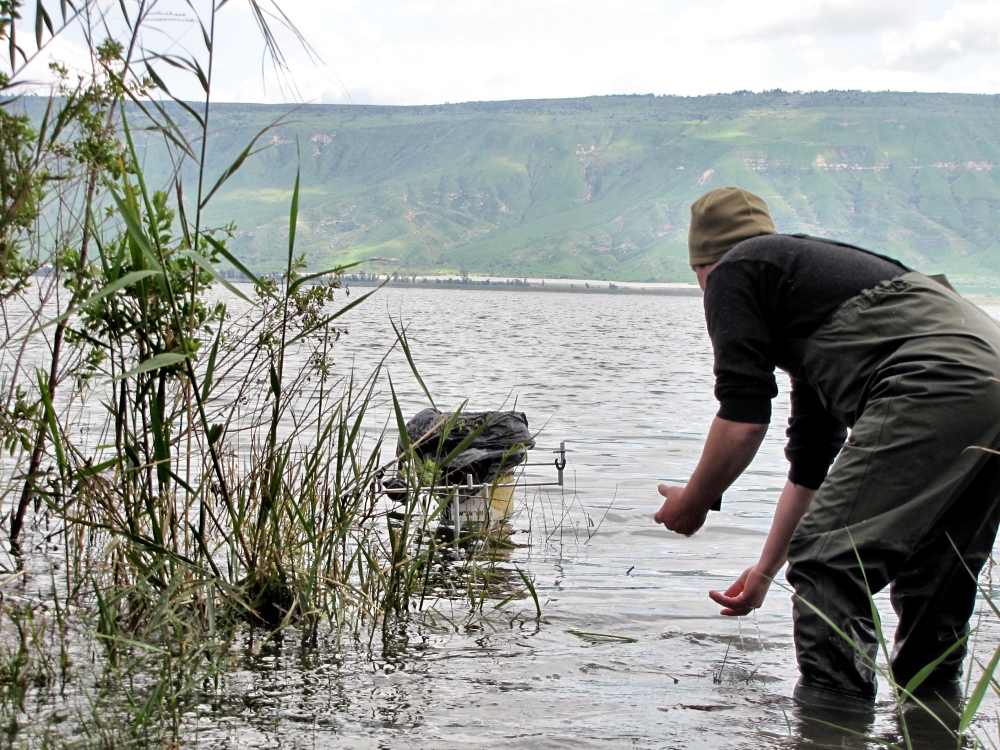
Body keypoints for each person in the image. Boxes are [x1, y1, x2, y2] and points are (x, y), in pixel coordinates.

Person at [653, 186, 1000, 710]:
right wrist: (766, 572)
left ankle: (833, 730)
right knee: (938, 573)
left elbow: (743, 418)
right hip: (989, 379)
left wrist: (695, 500)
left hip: (932, 380)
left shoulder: (735, 270)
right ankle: (933, 725)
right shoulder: (817, 297)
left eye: (702, 282)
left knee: (829, 561)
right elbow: (809, 470)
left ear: (703, 265)